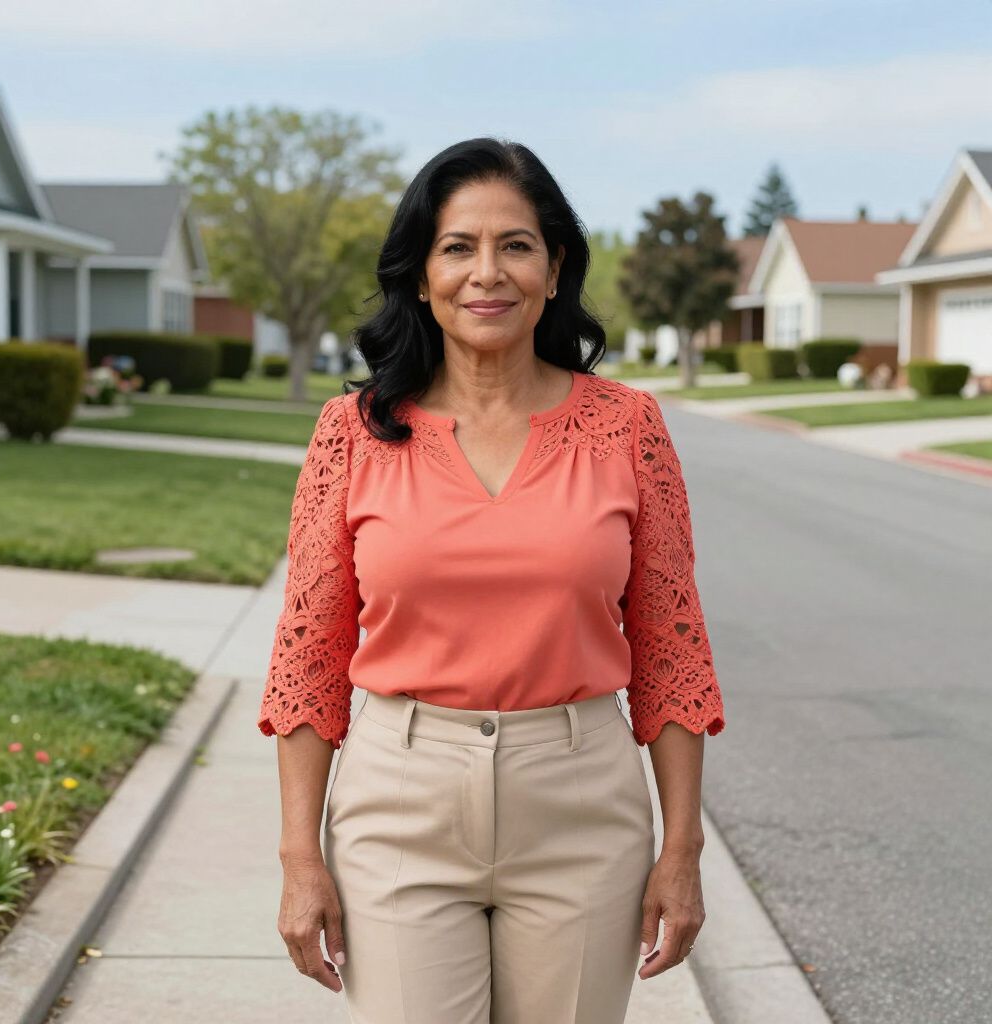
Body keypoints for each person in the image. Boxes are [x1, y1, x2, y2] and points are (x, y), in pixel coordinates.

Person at [257, 137, 726, 1024]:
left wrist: (684, 847)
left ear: (554, 269)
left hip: (581, 802)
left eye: (516, 245)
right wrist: (298, 855)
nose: (488, 273)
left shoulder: (629, 426)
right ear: (421, 274)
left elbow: (672, 649)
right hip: (401, 803)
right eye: (457, 246)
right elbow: (308, 660)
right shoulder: (351, 433)